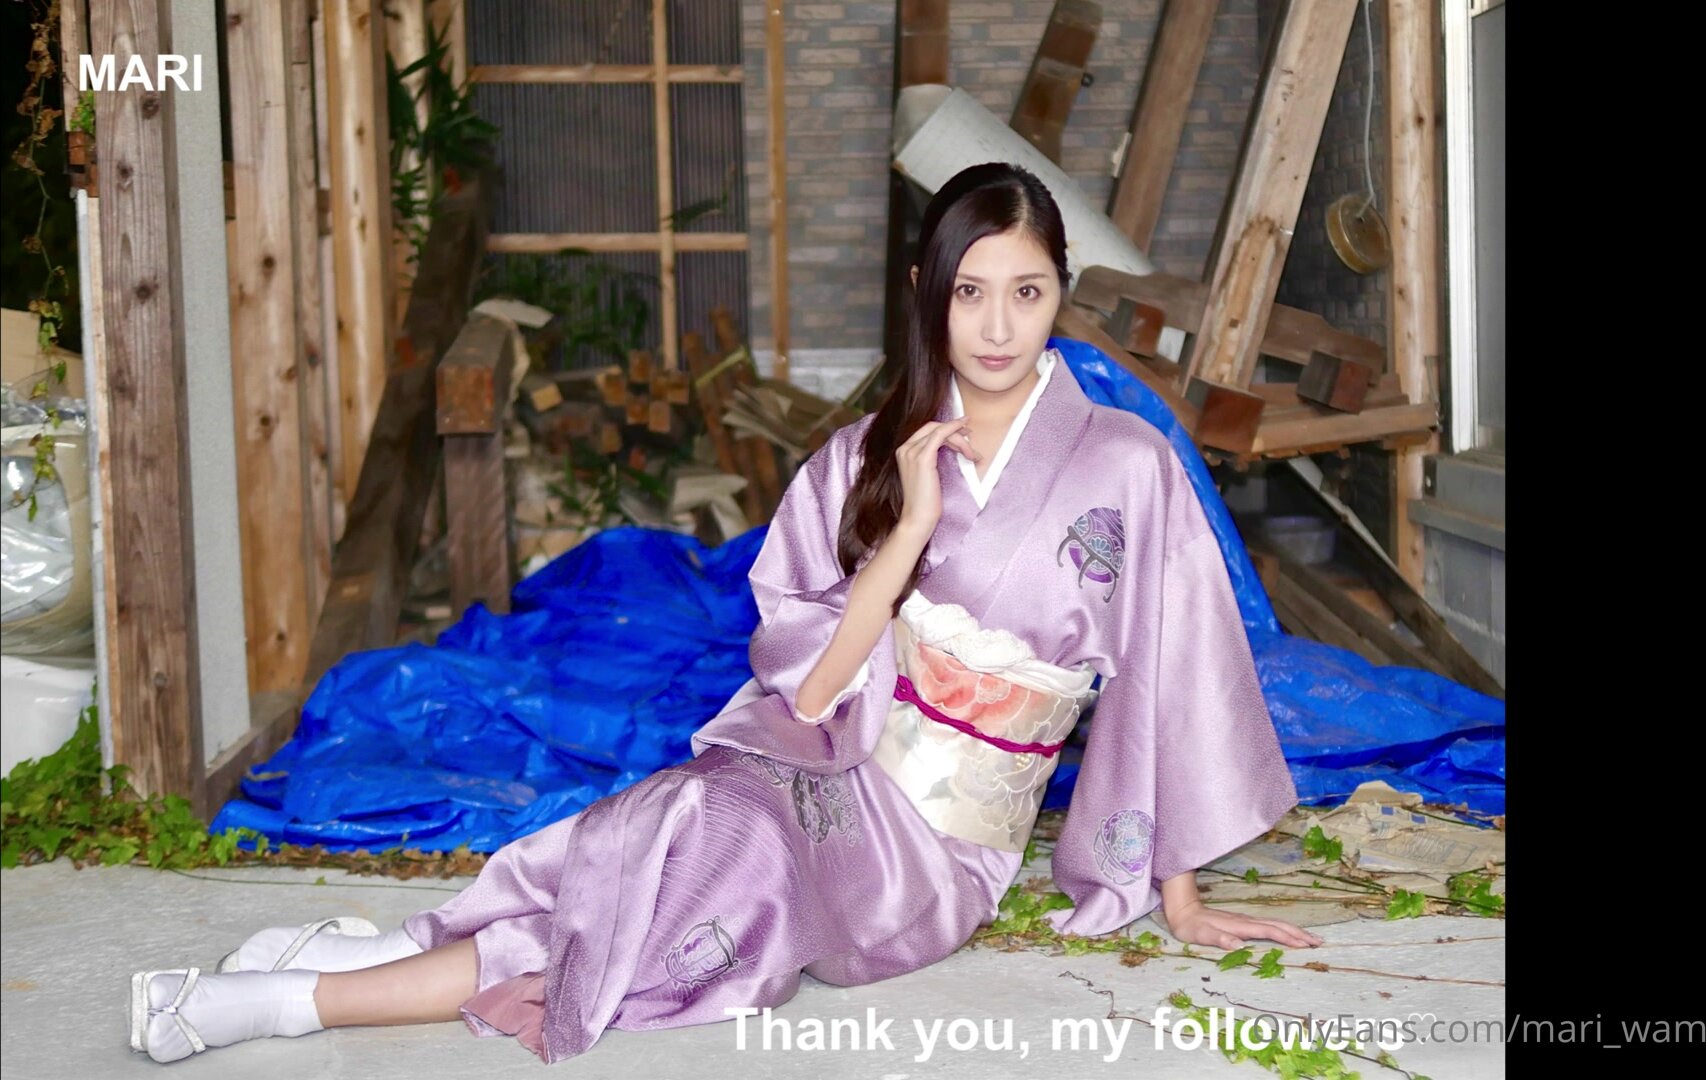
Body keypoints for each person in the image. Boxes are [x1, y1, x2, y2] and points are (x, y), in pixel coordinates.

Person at [128, 162, 1319, 1066]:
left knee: (712, 869)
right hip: (826, 760)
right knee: (680, 823)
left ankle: (307, 996)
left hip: (933, 851)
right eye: (969, 293)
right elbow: (812, 690)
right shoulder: (862, 459)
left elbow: (1173, 668)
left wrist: (1176, 892)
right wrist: (905, 533)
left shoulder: (1126, 463)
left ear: (1062, 292)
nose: (998, 327)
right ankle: (355, 968)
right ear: (925, 295)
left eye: (1027, 292)